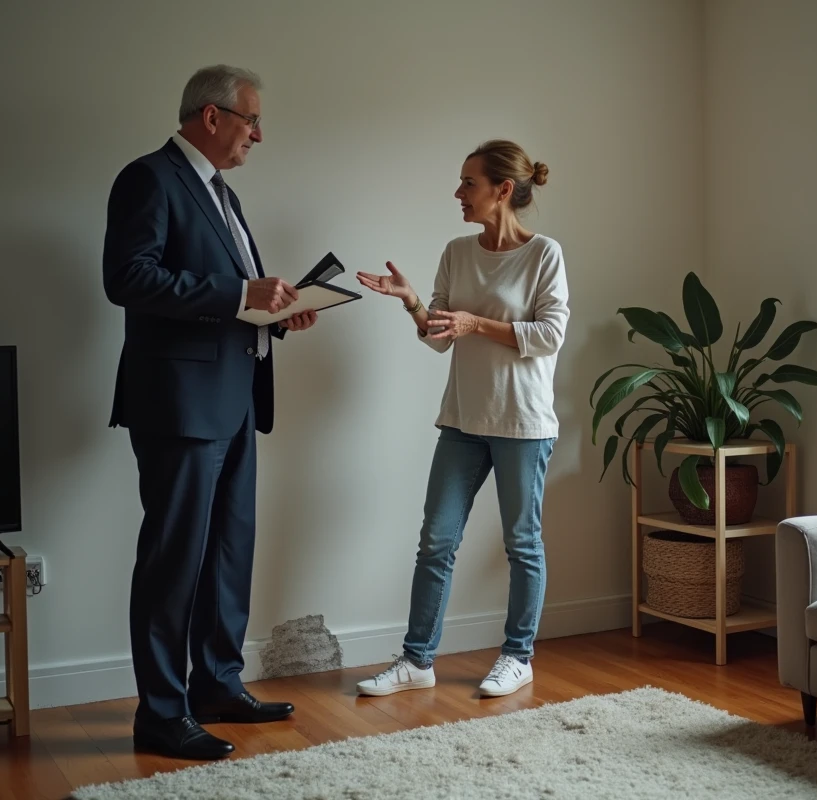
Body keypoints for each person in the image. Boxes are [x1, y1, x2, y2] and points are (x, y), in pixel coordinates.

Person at [102, 64, 317, 760]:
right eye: (251, 119)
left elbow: (231, 294)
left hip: (235, 398)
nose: (260, 133)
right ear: (212, 116)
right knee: (174, 561)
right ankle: (161, 714)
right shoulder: (149, 178)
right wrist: (237, 293)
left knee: (229, 551)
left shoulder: (220, 191)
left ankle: (218, 685)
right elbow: (127, 276)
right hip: (179, 406)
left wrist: (278, 315)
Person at [354, 140, 569, 698]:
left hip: (523, 424)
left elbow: (549, 336)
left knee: (522, 544)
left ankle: (518, 656)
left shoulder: (544, 254)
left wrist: (478, 323)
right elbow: (440, 337)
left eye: (468, 184)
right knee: (436, 541)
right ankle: (417, 659)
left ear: (502, 190)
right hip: (463, 421)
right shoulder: (456, 251)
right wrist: (411, 303)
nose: (458, 194)